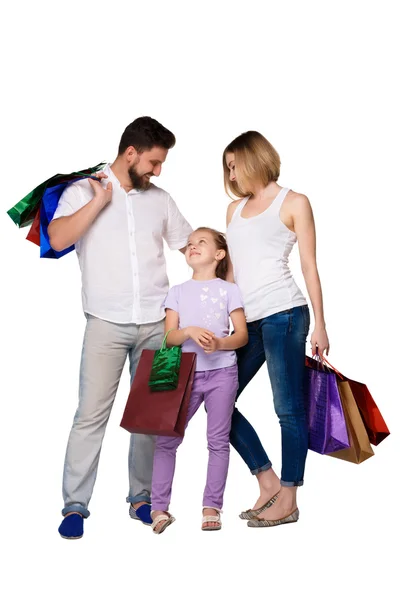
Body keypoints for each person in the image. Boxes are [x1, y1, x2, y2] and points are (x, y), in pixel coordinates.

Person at [47, 116, 193, 539]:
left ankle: (142, 499)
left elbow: (190, 244)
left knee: (153, 416)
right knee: (90, 416)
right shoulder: (81, 191)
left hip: (160, 327)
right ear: (130, 153)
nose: (157, 171)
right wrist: (98, 202)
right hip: (105, 325)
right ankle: (75, 505)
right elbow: (58, 240)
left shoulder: (160, 199)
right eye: (153, 161)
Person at [224, 131, 330, 527]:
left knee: (288, 409)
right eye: (228, 168)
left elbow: (309, 266)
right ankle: (267, 481)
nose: (232, 175)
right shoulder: (233, 210)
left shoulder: (294, 202)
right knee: (219, 401)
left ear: (255, 158)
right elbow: (231, 273)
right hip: (246, 321)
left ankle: (289, 497)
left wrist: (321, 324)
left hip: (286, 313)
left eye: (236, 165)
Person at [150, 227, 248, 534]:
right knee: (167, 441)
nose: (192, 246)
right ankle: (159, 508)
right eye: (190, 243)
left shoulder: (230, 290)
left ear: (219, 255)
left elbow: (242, 336)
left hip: (223, 374)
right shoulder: (177, 292)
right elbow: (168, 337)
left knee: (218, 441)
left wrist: (220, 344)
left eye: (201, 242)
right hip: (184, 374)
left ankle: (211, 507)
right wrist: (190, 331)